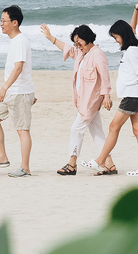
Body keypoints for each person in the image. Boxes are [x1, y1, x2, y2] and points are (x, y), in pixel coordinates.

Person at [82, 1, 138, 176]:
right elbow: (131, 29)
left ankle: (100, 161)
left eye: (116, 37)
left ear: (122, 35)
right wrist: (135, 10)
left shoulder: (131, 52)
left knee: (114, 127)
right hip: (136, 95)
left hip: (132, 96)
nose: (116, 40)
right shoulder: (136, 46)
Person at [40, 23, 114, 176]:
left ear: (87, 39)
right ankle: (110, 164)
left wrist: (107, 95)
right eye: (75, 42)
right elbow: (66, 48)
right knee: (97, 132)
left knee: (76, 129)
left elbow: (105, 76)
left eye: (79, 42)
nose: (77, 45)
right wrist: (50, 37)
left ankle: (72, 164)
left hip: (91, 101)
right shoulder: (82, 53)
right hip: (83, 100)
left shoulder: (97, 54)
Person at [0, 5, 36, 178]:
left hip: (18, 92)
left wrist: (4, 88)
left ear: (14, 23)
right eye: (0, 20)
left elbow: (19, 68)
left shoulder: (21, 41)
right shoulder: (14, 41)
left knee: (22, 130)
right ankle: (2, 157)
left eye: (3, 21)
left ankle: (25, 168)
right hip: (14, 92)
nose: (1, 24)